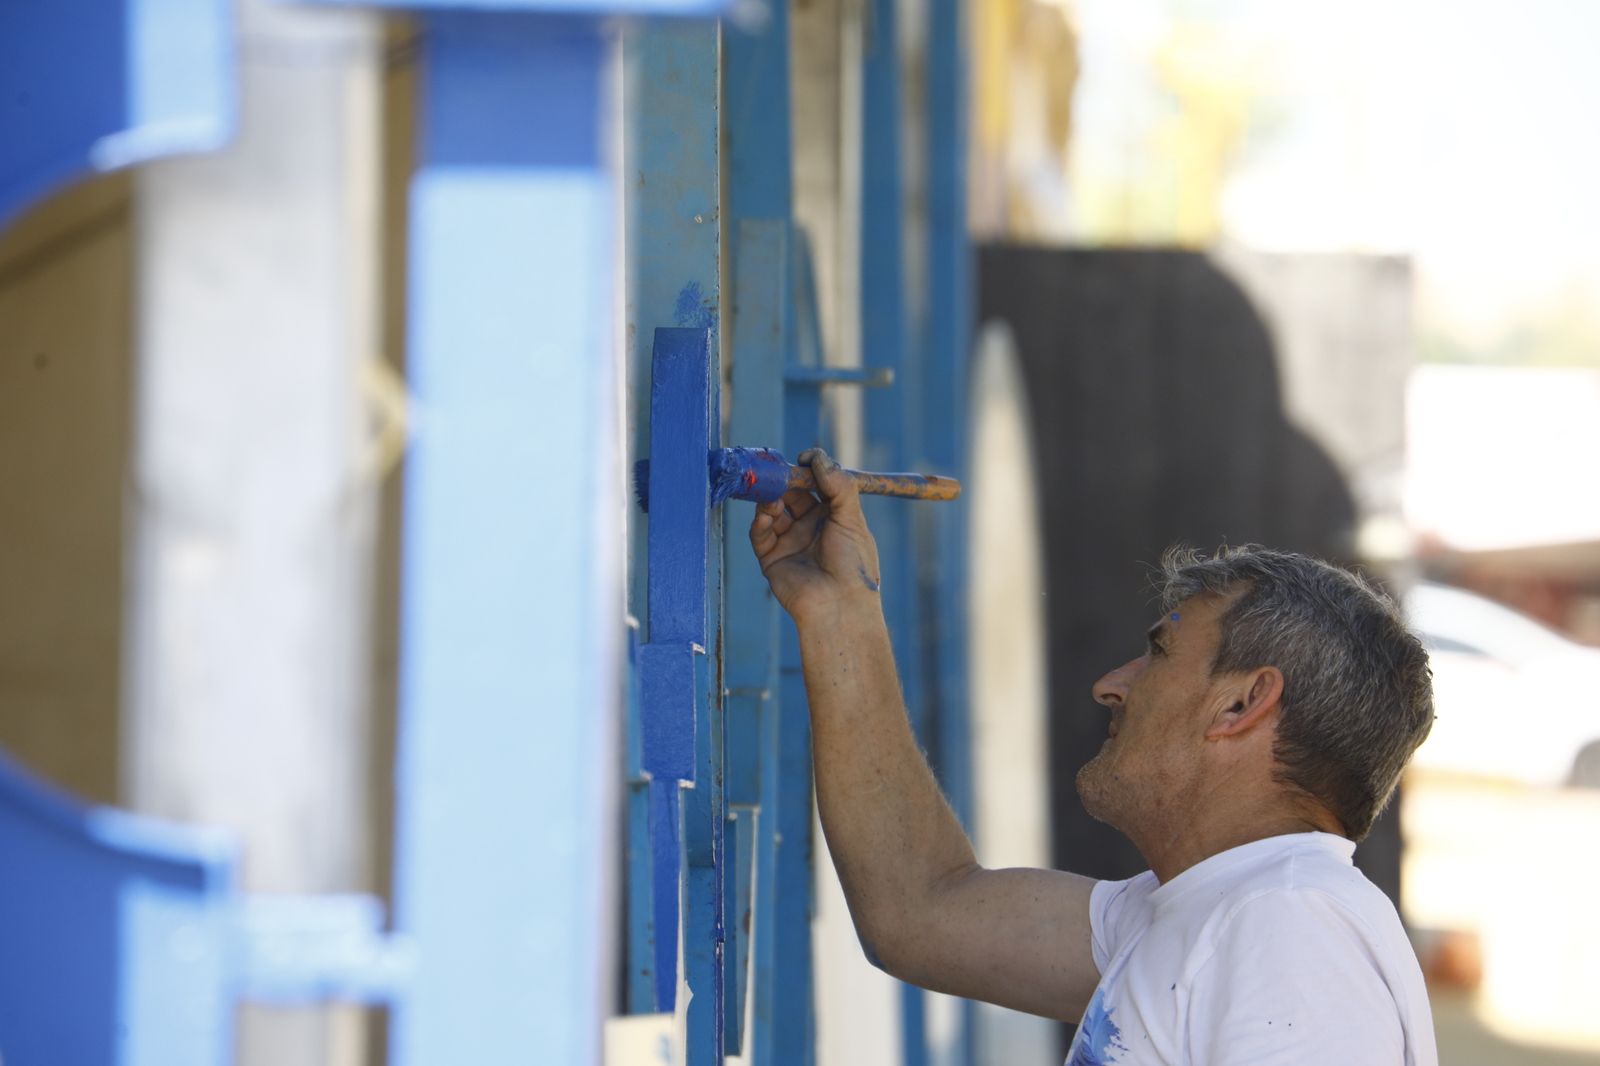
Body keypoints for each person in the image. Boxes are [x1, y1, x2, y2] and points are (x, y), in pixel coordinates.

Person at [749, 448, 1438, 1066]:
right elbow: (919, 910)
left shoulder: (1289, 927)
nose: (1110, 685)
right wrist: (840, 612)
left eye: (1159, 652)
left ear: (1240, 705)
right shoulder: (1201, 912)